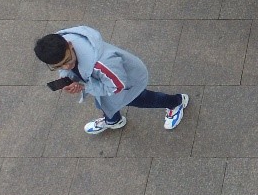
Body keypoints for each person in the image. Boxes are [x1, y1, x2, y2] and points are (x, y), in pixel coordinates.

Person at [35, 27, 189, 135]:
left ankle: (176, 102)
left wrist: (84, 86)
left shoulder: (103, 63)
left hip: (127, 82)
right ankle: (113, 121)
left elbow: (116, 87)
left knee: (141, 99)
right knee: (106, 102)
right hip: (108, 80)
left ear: (69, 45)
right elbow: (72, 69)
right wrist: (67, 79)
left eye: (67, 60)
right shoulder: (60, 43)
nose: (66, 66)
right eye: (58, 66)